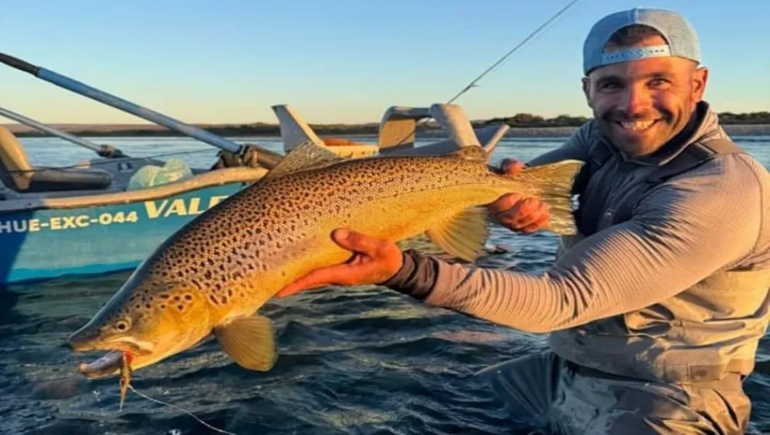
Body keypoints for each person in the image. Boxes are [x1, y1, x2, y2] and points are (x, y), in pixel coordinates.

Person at [278, 7, 770, 434]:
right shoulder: (599, 138)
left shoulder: (722, 188)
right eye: (612, 85)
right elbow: (523, 183)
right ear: (587, 90)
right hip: (566, 367)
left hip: (670, 395)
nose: (632, 105)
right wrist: (505, 198)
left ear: (698, 83)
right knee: (429, 407)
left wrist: (401, 270)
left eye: (657, 82)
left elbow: (563, 300)